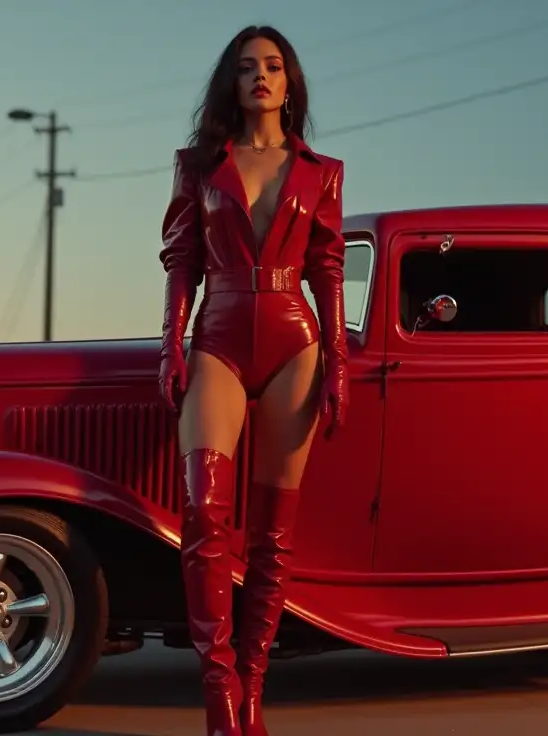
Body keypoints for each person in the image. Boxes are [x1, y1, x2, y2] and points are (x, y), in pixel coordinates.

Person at [156, 24, 348, 736]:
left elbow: (326, 268)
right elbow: (181, 260)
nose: (260, 77)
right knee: (204, 517)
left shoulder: (321, 170)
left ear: (289, 81)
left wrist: (340, 364)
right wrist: (169, 347)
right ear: (231, 85)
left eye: (271, 66)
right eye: (245, 68)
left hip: (296, 344)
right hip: (219, 337)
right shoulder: (200, 164)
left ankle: (256, 691)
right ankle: (219, 696)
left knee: (272, 536)